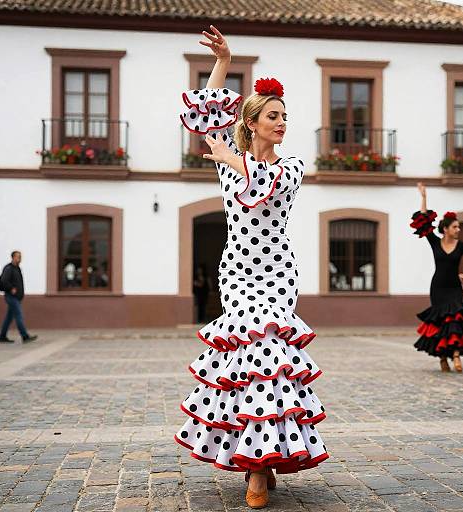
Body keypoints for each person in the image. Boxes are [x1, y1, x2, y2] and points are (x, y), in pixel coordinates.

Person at [174, 26, 328, 509]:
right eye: (274, 116)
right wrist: (223, 62)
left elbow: (264, 184)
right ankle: (255, 461)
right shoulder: (228, 155)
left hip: (278, 272)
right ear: (254, 121)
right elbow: (203, 115)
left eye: (285, 116)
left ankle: (263, 465)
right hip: (237, 269)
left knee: (272, 362)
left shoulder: (293, 166)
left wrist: (230, 159)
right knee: (245, 362)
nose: (282, 123)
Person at [410, 183, 463, 372]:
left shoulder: (461, 245)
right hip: (438, 288)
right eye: (455, 227)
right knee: (440, 322)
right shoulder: (435, 242)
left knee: (454, 320)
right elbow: (424, 223)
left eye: (459, 226)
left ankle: (456, 355)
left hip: (453, 287)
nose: (458, 229)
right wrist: (424, 198)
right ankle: (443, 358)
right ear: (445, 229)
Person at [0, 251, 38, 344]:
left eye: (20, 257)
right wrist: (11, 288)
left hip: (16, 297)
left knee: (9, 318)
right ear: (12, 257)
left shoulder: (17, 268)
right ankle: (25, 336)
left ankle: (2, 336)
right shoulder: (9, 268)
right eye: (17, 257)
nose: (19, 259)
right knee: (19, 315)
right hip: (11, 297)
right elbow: (4, 280)